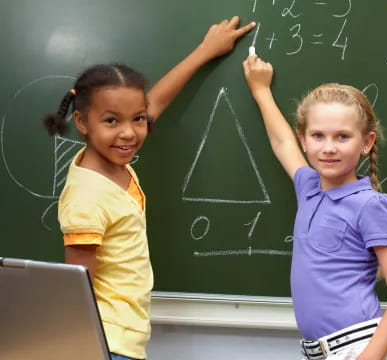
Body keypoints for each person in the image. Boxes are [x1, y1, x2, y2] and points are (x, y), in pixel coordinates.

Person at [42, 17, 255, 360]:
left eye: (138, 119)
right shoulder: (87, 196)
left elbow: (153, 102)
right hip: (105, 344)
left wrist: (204, 51)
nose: (129, 133)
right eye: (111, 120)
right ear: (81, 122)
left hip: (121, 337)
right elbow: (76, 288)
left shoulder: (109, 160)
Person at [242, 55, 387, 360]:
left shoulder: (372, 205)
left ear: (366, 142)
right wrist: (261, 90)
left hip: (359, 348)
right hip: (318, 351)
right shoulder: (308, 188)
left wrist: (369, 358)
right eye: (318, 136)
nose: (328, 147)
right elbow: (283, 142)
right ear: (305, 139)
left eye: (343, 137)